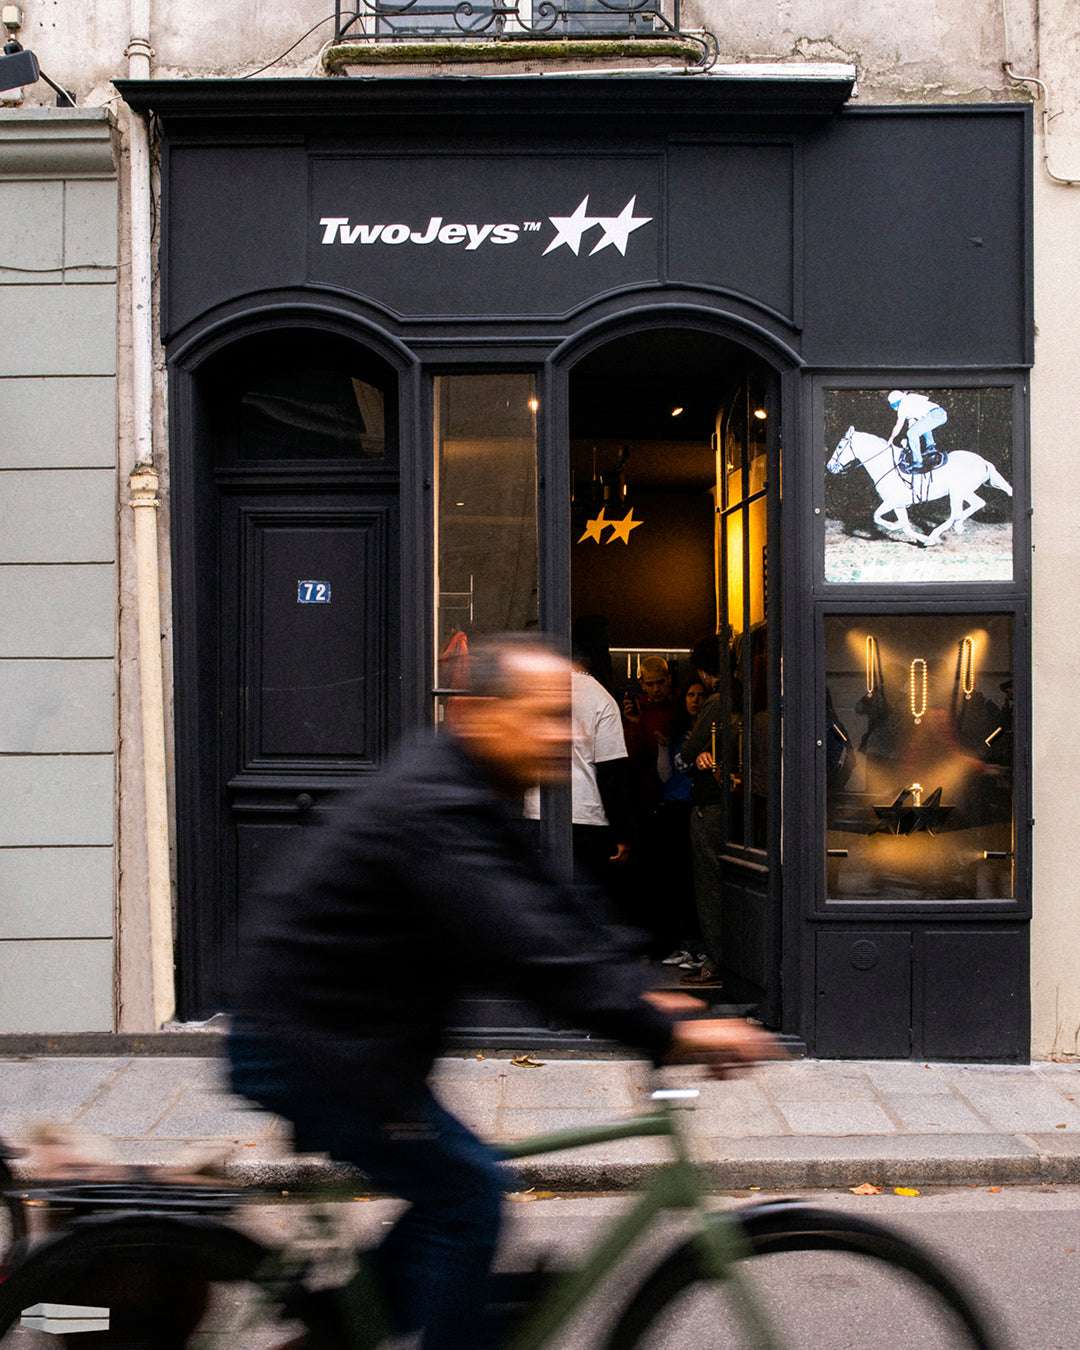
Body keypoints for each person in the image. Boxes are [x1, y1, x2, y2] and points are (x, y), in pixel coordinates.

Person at [228, 634, 779, 1350]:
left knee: (458, 1191)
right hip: (311, 1045)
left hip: (349, 1035)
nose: (564, 735)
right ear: (482, 714)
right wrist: (662, 1031)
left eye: (565, 716)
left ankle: (337, 1330)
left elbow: (555, 909)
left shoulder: (472, 789)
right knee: (467, 1197)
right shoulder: (440, 808)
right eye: (543, 716)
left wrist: (643, 992)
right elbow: (531, 950)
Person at [885, 389, 946, 472]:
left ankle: (918, 461)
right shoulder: (910, 401)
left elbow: (899, 424)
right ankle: (930, 446)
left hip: (934, 415)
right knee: (919, 427)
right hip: (940, 413)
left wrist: (891, 438)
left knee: (912, 434)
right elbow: (913, 426)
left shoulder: (903, 405)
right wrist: (909, 443)